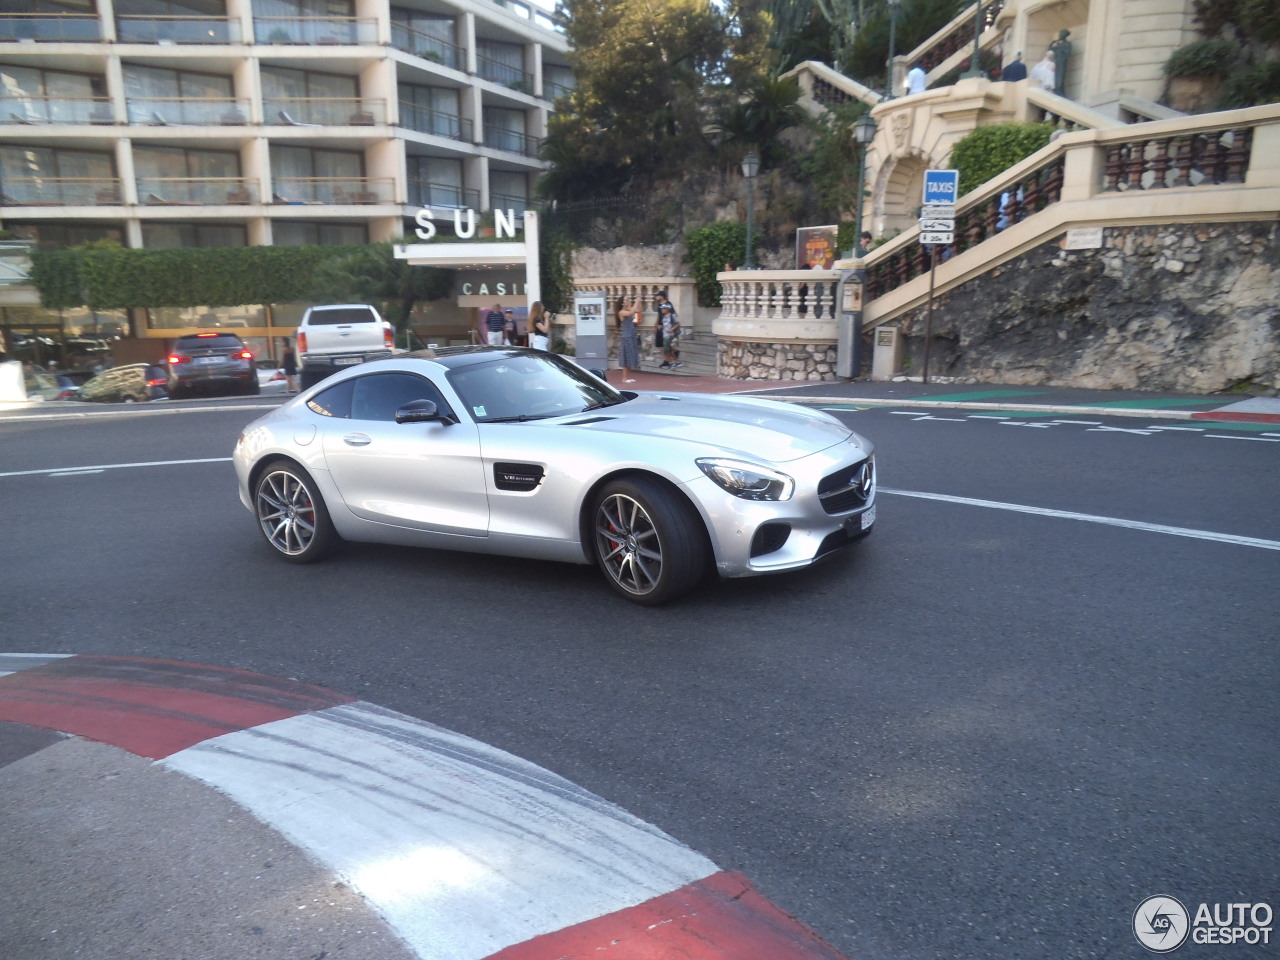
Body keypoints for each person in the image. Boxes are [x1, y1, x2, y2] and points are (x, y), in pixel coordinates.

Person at [615, 297, 641, 384]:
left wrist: (639, 301)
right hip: (627, 336)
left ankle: (627, 377)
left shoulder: (628, 309)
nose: (628, 301)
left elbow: (638, 310)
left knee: (630, 357)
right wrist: (636, 301)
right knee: (626, 357)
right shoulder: (621, 312)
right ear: (622, 303)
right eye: (626, 300)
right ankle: (624, 378)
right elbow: (631, 312)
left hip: (632, 335)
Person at [657, 298, 681, 369]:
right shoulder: (664, 317)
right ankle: (675, 362)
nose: (662, 310)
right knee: (668, 350)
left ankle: (674, 362)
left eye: (663, 309)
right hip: (665, 335)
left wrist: (672, 329)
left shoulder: (672, 316)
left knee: (666, 350)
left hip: (670, 335)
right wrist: (660, 326)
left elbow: (678, 324)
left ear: (667, 309)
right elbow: (665, 325)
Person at [1048, 30, 1071, 96]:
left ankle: (1059, 90)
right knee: (1053, 76)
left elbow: (1067, 53)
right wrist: (1052, 44)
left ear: (1065, 35)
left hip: (1061, 62)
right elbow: (1050, 50)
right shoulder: (1057, 44)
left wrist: (1060, 52)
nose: (1060, 35)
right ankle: (1054, 88)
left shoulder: (1067, 44)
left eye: (1062, 34)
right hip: (1055, 62)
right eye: (1060, 34)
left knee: (1060, 77)